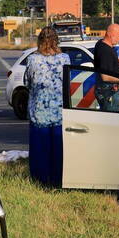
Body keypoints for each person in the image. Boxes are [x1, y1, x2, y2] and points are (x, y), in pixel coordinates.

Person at [25, 27, 70, 186]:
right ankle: (57, 179)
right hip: (59, 112)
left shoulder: (33, 59)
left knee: (40, 150)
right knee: (58, 150)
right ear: (56, 40)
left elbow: (27, 82)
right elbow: (68, 83)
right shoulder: (65, 59)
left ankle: (40, 180)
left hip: (39, 112)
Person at [93, 23, 119, 112]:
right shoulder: (104, 51)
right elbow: (105, 77)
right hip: (108, 93)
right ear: (110, 34)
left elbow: (117, 59)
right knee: (112, 117)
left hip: (110, 91)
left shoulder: (104, 45)